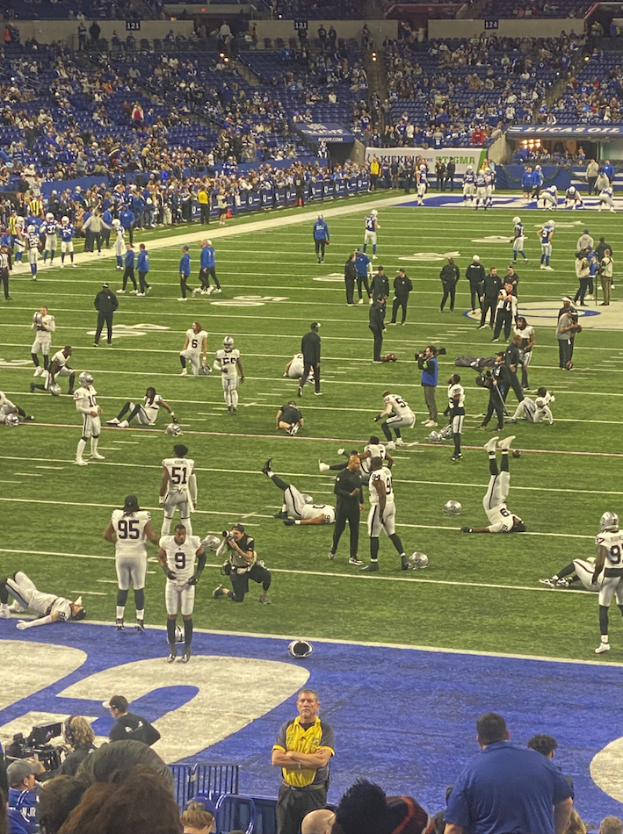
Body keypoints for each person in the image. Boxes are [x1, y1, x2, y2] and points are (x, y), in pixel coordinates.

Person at [444, 713, 573, 834]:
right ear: (507, 735)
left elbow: (453, 829)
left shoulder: (470, 774)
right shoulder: (542, 762)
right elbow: (566, 804)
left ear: (479, 740)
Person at [272, 689, 335, 834]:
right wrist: (307, 760)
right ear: (297, 705)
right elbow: (276, 759)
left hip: (313, 793)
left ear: (317, 706)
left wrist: (292, 754)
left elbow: (321, 761)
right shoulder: (287, 727)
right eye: (302, 701)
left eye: (310, 701)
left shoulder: (325, 730)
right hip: (288, 792)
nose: (306, 704)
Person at [103, 494, 158, 631]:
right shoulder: (142, 516)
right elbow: (152, 536)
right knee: (138, 587)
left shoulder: (117, 515)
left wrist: (117, 541)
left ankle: (119, 619)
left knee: (123, 587)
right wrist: (160, 545)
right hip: (137, 554)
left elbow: (106, 535)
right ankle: (139, 619)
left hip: (121, 554)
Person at [158, 523, 205, 663]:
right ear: (174, 534)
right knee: (171, 615)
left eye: (183, 534)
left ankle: (187, 648)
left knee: (187, 616)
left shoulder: (193, 542)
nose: (181, 537)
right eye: (179, 534)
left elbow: (203, 557)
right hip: (172, 584)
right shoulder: (167, 542)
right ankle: (172, 648)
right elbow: (160, 557)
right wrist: (166, 570)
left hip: (187, 584)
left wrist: (197, 575)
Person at [460, 436, 526, 533]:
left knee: (496, 477)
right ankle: (504, 448)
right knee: (505, 476)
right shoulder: (514, 519)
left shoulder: (506, 525)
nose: (519, 519)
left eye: (519, 522)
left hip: (492, 505)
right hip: (501, 501)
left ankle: (490, 451)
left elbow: (489, 529)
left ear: (515, 526)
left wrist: (471, 530)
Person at [361, 457, 407, 572]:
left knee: (373, 534)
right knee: (391, 533)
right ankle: (403, 557)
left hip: (380, 505)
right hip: (391, 504)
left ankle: (374, 563)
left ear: (373, 463)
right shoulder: (386, 470)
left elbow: (381, 492)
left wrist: (380, 512)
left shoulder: (376, 475)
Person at [262, 458, 335, 525]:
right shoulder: (332, 509)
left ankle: (268, 471)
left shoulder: (330, 515)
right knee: (292, 492)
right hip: (303, 506)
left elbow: (316, 520)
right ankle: (283, 513)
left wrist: (296, 522)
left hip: (299, 511)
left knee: (288, 488)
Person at [0, 571, 85, 626]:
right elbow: (77, 602)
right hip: (34, 592)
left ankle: (4, 611)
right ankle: (16, 607)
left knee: (4, 582)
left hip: (29, 601)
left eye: (79, 608)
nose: (79, 605)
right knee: (17, 574)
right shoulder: (71, 605)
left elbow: (46, 619)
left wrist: (28, 624)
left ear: (74, 614)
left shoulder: (63, 613)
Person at [213, 524, 271, 604]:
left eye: (237, 533)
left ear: (242, 533)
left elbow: (248, 558)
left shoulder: (248, 540)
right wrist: (224, 542)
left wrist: (237, 549)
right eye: (233, 533)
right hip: (238, 569)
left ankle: (264, 596)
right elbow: (218, 554)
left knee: (267, 575)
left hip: (250, 566)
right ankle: (222, 590)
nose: (235, 536)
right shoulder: (231, 541)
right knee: (238, 598)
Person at [591, 511, 623, 654]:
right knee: (622, 607)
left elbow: (601, 560)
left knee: (604, 608)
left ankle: (604, 642)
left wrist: (595, 575)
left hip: (611, 574)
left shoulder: (603, 537)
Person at [329, 454, 364, 566]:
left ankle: (353, 556)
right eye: (357, 463)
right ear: (351, 463)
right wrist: (349, 494)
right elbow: (337, 490)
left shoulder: (358, 474)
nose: (359, 465)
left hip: (354, 508)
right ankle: (333, 549)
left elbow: (360, 488)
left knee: (355, 531)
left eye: (359, 463)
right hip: (343, 507)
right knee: (339, 529)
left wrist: (361, 502)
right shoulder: (342, 475)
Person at [160, 444, 197, 536]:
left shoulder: (168, 462)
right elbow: (193, 483)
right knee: (186, 519)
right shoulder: (189, 463)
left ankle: (163, 542)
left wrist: (161, 498)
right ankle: (189, 542)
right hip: (185, 494)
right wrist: (194, 499)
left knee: (167, 519)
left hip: (172, 493)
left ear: (175, 452)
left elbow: (164, 481)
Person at [73, 371, 104, 466]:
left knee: (96, 433)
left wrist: (97, 406)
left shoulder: (91, 388)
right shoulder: (79, 391)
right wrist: (90, 412)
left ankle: (94, 452)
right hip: (88, 415)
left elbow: (93, 401)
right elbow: (79, 408)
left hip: (95, 413)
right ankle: (78, 458)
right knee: (85, 436)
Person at [107, 387, 176, 429]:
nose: (149, 393)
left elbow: (167, 407)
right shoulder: (146, 399)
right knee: (129, 403)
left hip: (149, 420)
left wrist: (173, 417)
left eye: (150, 392)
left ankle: (127, 422)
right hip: (142, 418)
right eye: (148, 392)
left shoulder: (157, 399)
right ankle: (117, 419)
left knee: (138, 406)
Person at [7, 760, 44, 834]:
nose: (34, 777)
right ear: (26, 781)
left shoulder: (4, 798)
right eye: (32, 775)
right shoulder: (34, 798)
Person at [477, 355, 510, 432]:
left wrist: (498, 382)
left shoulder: (503, 368)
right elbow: (493, 376)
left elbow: (507, 380)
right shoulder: (497, 366)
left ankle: (500, 426)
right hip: (493, 390)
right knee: (490, 408)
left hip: (498, 390)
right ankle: (484, 424)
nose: (496, 357)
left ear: (501, 358)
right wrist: (488, 371)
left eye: (498, 356)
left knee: (498, 409)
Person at [215, 335, 244, 414]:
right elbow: (215, 364)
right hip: (224, 375)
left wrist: (242, 374)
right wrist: (221, 369)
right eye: (225, 344)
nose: (226, 346)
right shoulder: (220, 353)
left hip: (233, 374)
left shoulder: (235, 352)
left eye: (228, 345)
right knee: (226, 390)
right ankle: (228, 406)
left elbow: (239, 364)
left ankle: (234, 407)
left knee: (233, 390)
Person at [417, 345, 439, 428]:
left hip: (430, 383)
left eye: (427, 351)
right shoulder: (430, 360)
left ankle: (434, 420)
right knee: (428, 402)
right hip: (427, 383)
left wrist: (420, 358)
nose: (425, 353)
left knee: (431, 402)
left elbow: (421, 366)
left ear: (431, 352)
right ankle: (430, 417)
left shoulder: (431, 362)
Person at [31, 306, 55, 376]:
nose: (42, 312)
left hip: (46, 338)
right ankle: (38, 368)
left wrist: (44, 326)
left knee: (45, 355)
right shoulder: (37, 317)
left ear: (46, 311)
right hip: (38, 337)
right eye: (41, 310)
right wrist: (34, 324)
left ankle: (45, 370)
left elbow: (52, 329)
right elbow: (32, 329)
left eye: (44, 310)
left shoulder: (50, 318)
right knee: (33, 353)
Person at [298, 322, 321, 397]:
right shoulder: (317, 338)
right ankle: (317, 390)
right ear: (316, 328)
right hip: (314, 358)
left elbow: (302, 347)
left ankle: (301, 386)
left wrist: (305, 355)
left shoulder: (305, 336)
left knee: (305, 373)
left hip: (306, 357)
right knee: (316, 374)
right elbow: (317, 350)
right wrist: (318, 361)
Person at [447, 373, 465, 462]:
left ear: (454, 379)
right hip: (454, 411)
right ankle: (459, 452)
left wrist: (452, 415)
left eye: (451, 377)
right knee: (455, 434)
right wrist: (447, 411)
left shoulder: (457, 388)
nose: (450, 378)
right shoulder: (451, 386)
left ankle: (456, 453)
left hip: (458, 412)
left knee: (456, 434)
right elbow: (451, 401)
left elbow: (456, 402)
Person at [514, 316, 535, 389]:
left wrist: (526, 348)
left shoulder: (529, 329)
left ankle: (525, 384)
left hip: (527, 352)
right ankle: (515, 382)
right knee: (515, 366)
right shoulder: (516, 329)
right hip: (519, 351)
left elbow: (533, 342)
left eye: (520, 322)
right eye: (518, 322)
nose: (518, 323)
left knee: (524, 367)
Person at [503, 336, 525, 404]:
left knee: (505, 391)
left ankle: (500, 406)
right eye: (519, 341)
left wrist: (522, 363)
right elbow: (508, 358)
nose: (520, 343)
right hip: (510, 373)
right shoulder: (511, 348)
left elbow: (516, 358)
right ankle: (524, 406)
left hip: (511, 373)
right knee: (518, 390)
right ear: (515, 340)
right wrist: (509, 365)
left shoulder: (515, 348)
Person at [369, 295, 387, 362]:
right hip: (376, 326)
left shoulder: (373, 305)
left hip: (372, 324)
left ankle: (376, 356)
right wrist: (383, 327)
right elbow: (379, 319)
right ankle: (376, 357)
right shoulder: (379, 307)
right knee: (378, 340)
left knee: (377, 340)